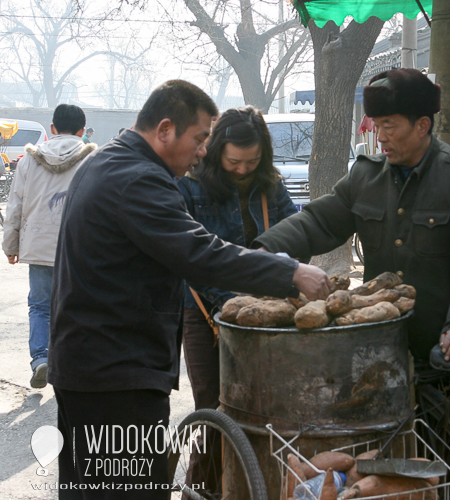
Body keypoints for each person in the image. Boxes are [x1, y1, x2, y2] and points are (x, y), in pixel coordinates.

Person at [48, 80, 332, 499]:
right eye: (200, 139)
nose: (203, 151)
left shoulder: (107, 160)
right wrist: (289, 271)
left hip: (87, 366)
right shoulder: (139, 179)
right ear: (165, 130)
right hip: (115, 376)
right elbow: (199, 252)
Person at [253, 68, 450, 425]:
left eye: (389, 126)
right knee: (387, 455)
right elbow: (318, 221)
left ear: (422, 125)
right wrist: (267, 251)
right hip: (387, 346)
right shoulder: (365, 176)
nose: (380, 136)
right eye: (376, 125)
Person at [176, 106, 298, 488]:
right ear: (216, 152)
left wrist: (291, 272)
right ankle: (202, 490)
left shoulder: (271, 184)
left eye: (252, 161)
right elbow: (190, 256)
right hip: (204, 314)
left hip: (267, 315)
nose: (243, 169)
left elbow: (295, 232)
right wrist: (232, 303)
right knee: (215, 413)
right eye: (234, 162)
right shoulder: (190, 184)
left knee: (265, 412)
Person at [2, 104, 95, 389]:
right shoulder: (93, 158)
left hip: (39, 245)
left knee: (40, 306)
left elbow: (16, 204)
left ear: (52, 129)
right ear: (82, 130)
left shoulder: (30, 160)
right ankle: (72, 364)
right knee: (78, 306)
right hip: (79, 249)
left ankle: (41, 359)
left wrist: (10, 244)